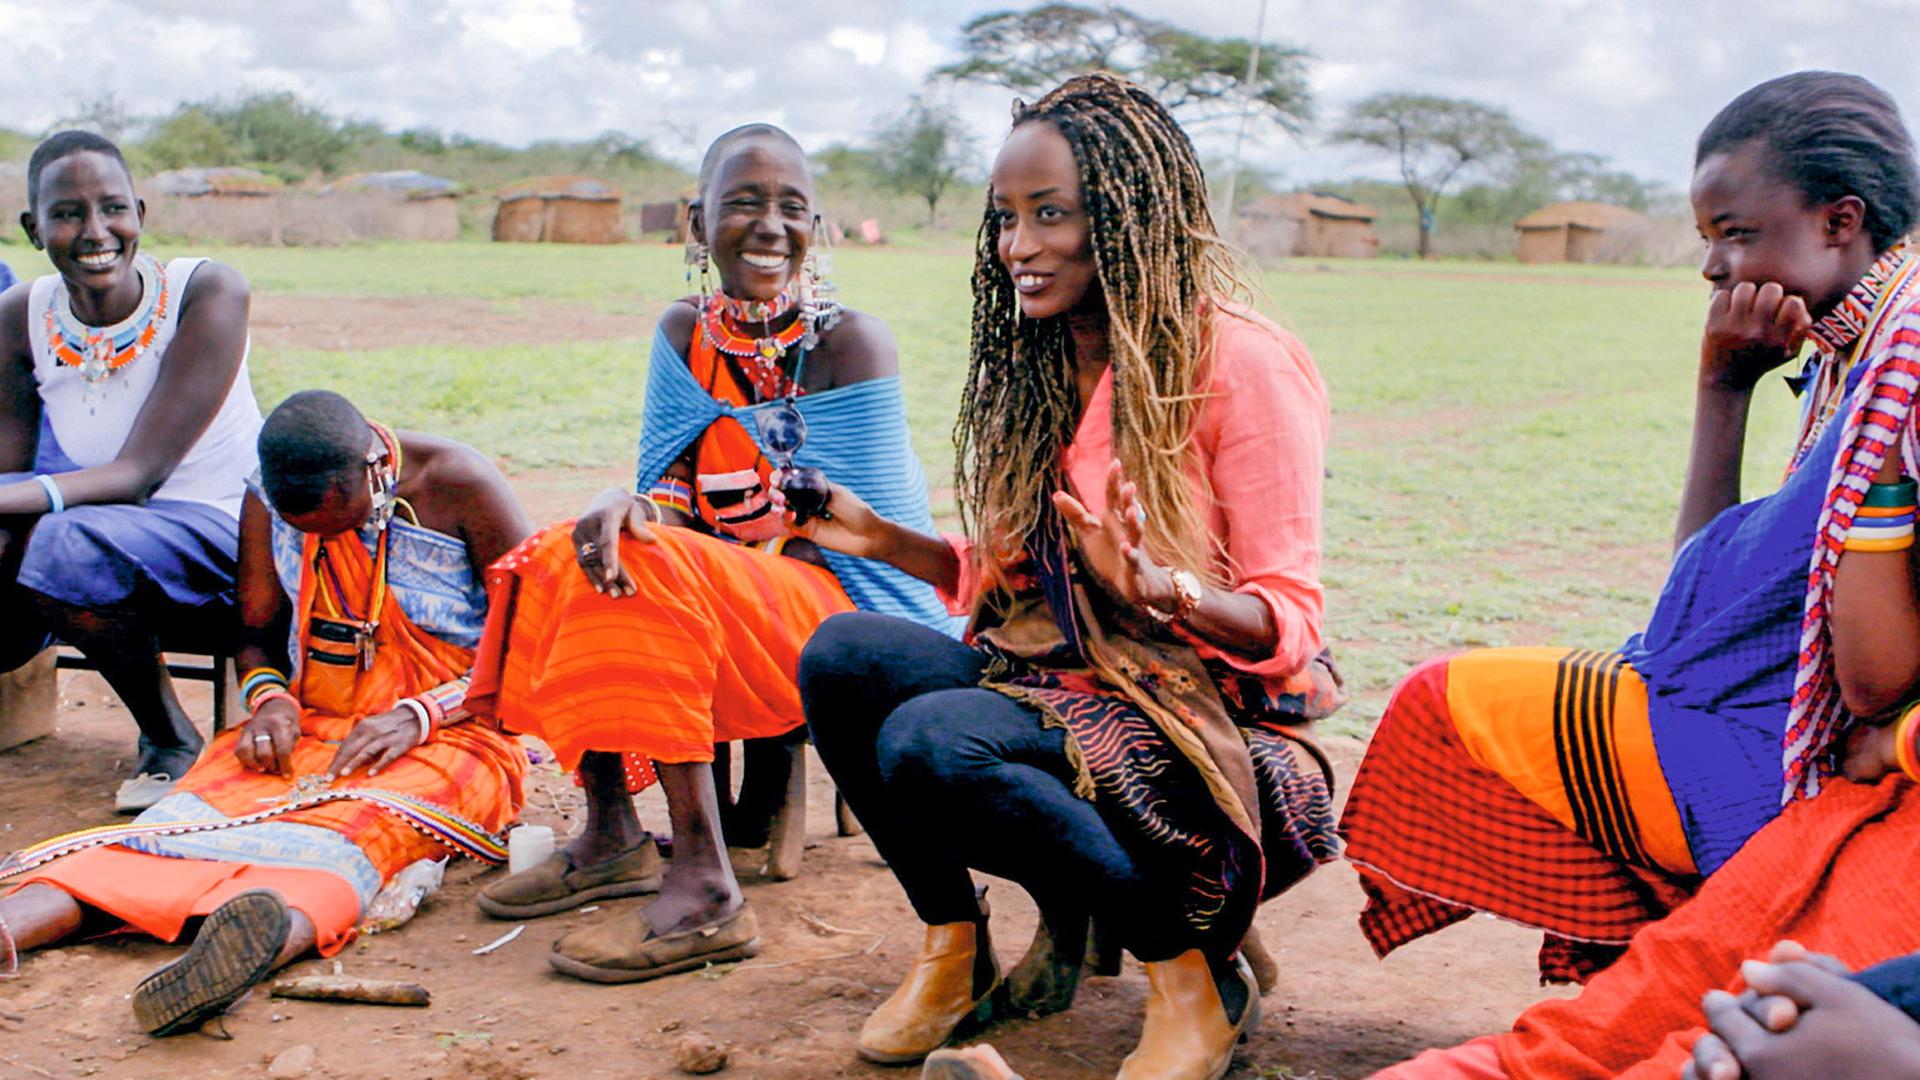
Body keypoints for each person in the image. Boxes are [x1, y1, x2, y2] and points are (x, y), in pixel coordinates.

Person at [793, 74, 1341, 1080]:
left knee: (936, 743)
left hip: (1200, 715)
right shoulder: (1046, 364)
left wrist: (1159, 587)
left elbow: (1289, 621)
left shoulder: (1242, 364)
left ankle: (1192, 979)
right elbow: (1006, 583)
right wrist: (882, 541)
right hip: (1063, 686)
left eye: (1052, 214)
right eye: (1006, 217)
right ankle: (953, 946)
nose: (1019, 245)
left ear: (1130, 217)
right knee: (842, 655)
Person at [1340, 70, 1920, 984]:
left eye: (1735, 235)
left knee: (1441, 706)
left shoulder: (1904, 365)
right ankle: (1651, 967)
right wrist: (1723, 390)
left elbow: (1867, 670)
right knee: (1468, 698)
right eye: (1707, 239)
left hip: (1799, 765)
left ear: (1839, 223)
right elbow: (1698, 596)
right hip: (1760, 723)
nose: (1712, 267)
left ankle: (1660, 964)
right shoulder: (1860, 351)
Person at [463, 123, 957, 983]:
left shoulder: (851, 344)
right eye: (744, 203)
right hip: (740, 589)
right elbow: (678, 497)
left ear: (817, 227)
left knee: (654, 568)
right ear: (698, 224)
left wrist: (707, 562)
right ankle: (614, 830)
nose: (770, 225)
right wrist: (633, 505)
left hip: (850, 607)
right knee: (567, 550)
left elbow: (863, 543)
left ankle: (705, 887)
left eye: (792, 207)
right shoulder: (685, 331)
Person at [0, 390, 531, 1036]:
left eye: (335, 523)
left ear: (371, 470)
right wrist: (268, 701)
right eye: (302, 531)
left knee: (357, 834)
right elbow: (254, 637)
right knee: (177, 822)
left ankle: (237, 958)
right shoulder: (265, 496)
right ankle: (11, 926)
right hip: (307, 726)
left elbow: (530, 647)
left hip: (454, 734)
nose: (320, 542)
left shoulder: (459, 483)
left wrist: (415, 716)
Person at [0, 130, 262, 812]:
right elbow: (9, 472)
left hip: (224, 536)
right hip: (104, 535)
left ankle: (169, 737)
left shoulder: (206, 292)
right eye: (67, 213)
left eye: (112, 208)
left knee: (61, 541)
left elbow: (140, 474)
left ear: (140, 214)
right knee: (38, 537)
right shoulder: (20, 316)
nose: (95, 232)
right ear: (34, 229)